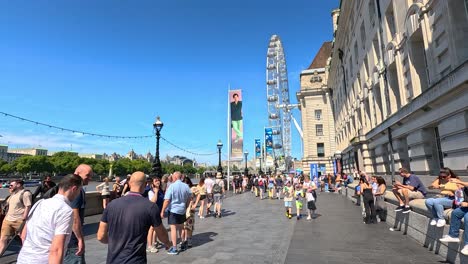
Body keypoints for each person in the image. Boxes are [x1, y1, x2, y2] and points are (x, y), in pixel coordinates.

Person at [97, 171, 171, 263]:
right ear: (145, 184)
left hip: (113, 260)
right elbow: (161, 234)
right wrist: (168, 243)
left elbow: (100, 236)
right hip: (136, 260)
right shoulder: (150, 206)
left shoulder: (112, 205)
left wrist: (115, 242)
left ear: (129, 183)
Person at [17, 174, 83, 264]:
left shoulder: (39, 203)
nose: (78, 193)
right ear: (74, 189)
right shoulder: (65, 210)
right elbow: (56, 250)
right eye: (79, 190)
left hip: (24, 258)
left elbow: (24, 235)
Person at [64, 164, 93, 264]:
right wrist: (80, 239)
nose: (90, 178)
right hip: (72, 241)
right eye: (88, 175)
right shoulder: (77, 191)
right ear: (77, 174)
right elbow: (74, 216)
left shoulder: (64, 188)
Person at [160, 171, 192, 255]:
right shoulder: (186, 186)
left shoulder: (172, 186)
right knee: (181, 227)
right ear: (181, 177)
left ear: (174, 177)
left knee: (173, 229)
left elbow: (167, 200)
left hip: (173, 210)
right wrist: (186, 206)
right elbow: (189, 198)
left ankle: (174, 248)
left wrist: (162, 210)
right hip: (182, 210)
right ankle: (182, 243)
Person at [0, 180, 32, 254]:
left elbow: (28, 206)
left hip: (19, 220)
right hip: (8, 220)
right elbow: (5, 205)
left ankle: (26, 255)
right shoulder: (12, 194)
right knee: (3, 239)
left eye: (11, 185)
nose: (9, 187)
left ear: (18, 185)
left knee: (23, 239)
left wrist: (24, 218)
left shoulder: (25, 193)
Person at [439, 178, 468, 255]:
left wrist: (458, 181)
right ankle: (453, 235)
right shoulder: (462, 188)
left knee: (467, 218)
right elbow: (459, 200)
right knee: (455, 213)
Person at [147, 177, 165, 253]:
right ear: (152, 183)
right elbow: (153, 201)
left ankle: (154, 242)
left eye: (158, 180)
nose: (158, 181)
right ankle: (149, 246)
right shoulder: (151, 191)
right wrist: (156, 192)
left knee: (156, 228)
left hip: (158, 211)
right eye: (156, 181)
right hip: (152, 212)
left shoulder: (161, 190)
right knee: (151, 228)